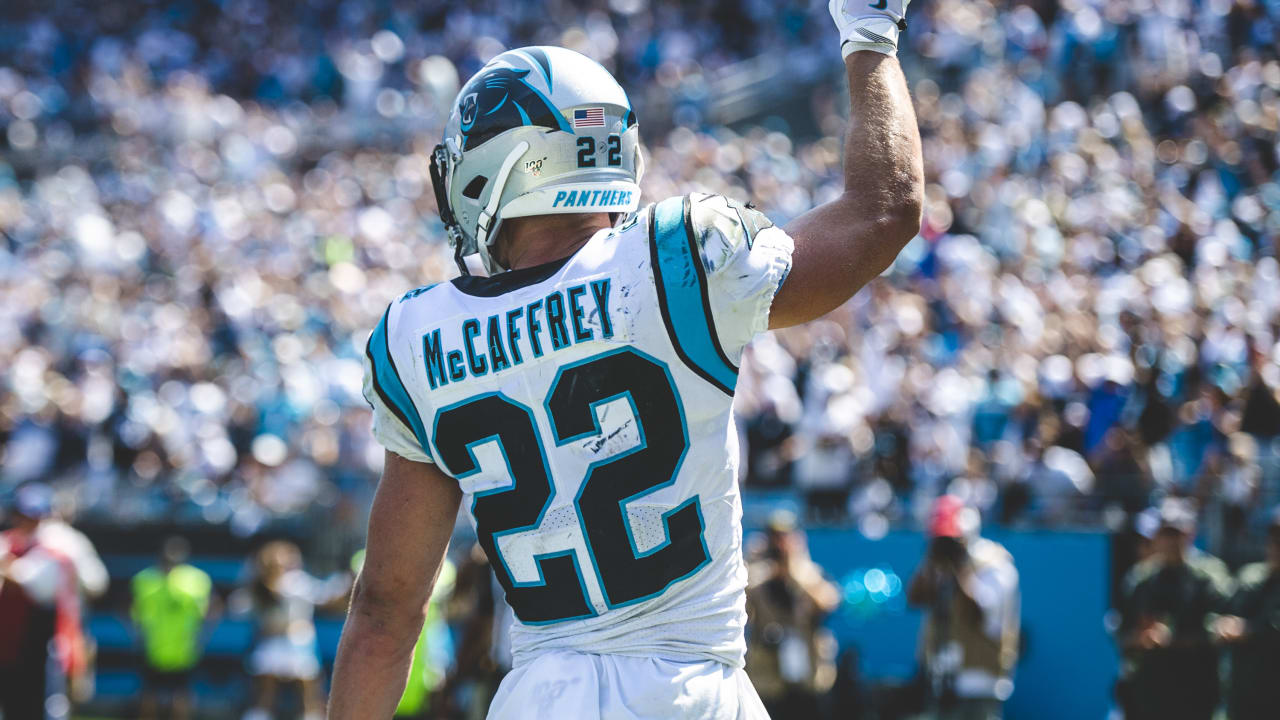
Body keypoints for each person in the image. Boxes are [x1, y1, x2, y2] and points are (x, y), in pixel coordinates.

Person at [328, 0, 924, 716]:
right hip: (693, 694)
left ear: (505, 163)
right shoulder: (674, 258)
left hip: (542, 698)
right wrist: (871, 37)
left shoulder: (417, 336)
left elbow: (385, 615)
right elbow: (882, 212)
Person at [1116, 498, 1233, 720]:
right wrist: (1139, 638)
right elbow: (1123, 631)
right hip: (1151, 690)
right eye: (1165, 534)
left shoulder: (1209, 577)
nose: (1170, 541)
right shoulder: (1141, 579)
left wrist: (1173, 638)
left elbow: (1222, 629)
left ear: (1190, 533)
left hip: (1196, 688)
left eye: (1176, 534)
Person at [907, 495, 1020, 720]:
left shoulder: (995, 566)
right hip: (940, 681)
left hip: (979, 683)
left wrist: (959, 568)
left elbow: (980, 613)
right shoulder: (938, 565)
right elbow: (914, 598)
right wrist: (931, 558)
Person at [233, 540, 350, 720]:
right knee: (271, 696)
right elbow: (325, 597)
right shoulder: (282, 583)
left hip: (295, 644)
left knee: (298, 696)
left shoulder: (292, 582)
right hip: (277, 644)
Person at [744, 510, 841, 718]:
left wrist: (795, 567)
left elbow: (828, 602)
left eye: (785, 537)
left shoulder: (810, 573)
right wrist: (752, 565)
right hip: (768, 674)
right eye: (774, 537)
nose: (780, 543)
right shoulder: (756, 576)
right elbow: (744, 609)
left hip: (809, 674)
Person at [0, 483, 75, 720]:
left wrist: (7, 568)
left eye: (32, 517)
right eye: (21, 515)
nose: (25, 522)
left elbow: (31, 583)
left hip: (36, 649)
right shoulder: (7, 543)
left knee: (34, 708)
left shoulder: (55, 550)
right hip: (6, 647)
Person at [131, 537, 214, 720]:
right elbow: (135, 611)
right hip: (154, 647)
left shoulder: (197, 581)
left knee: (179, 695)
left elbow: (209, 611)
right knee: (151, 694)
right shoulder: (145, 580)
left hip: (183, 648)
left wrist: (201, 635)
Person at [1214, 508, 1280, 720]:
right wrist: (1221, 625)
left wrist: (1249, 630)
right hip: (1246, 696)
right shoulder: (1250, 577)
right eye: (1274, 538)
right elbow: (1220, 614)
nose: (1277, 546)